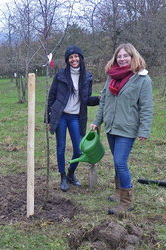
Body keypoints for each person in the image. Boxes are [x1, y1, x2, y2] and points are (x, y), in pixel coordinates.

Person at [90, 43, 153, 215]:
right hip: (111, 127)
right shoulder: (112, 77)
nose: (122, 59)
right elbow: (104, 102)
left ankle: (127, 202)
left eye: (126, 56)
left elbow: (146, 107)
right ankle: (118, 192)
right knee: (116, 161)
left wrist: (144, 130)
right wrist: (97, 121)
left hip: (127, 128)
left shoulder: (142, 79)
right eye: (119, 56)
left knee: (120, 162)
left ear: (133, 57)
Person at [47, 45, 100, 192]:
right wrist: (48, 118)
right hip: (61, 116)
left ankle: (71, 172)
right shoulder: (60, 75)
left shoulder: (87, 77)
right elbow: (51, 97)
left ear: (80, 58)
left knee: (79, 149)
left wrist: (99, 99)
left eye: (76, 56)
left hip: (76, 117)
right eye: (70, 57)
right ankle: (62, 176)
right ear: (67, 60)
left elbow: (86, 99)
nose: (74, 59)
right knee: (61, 147)